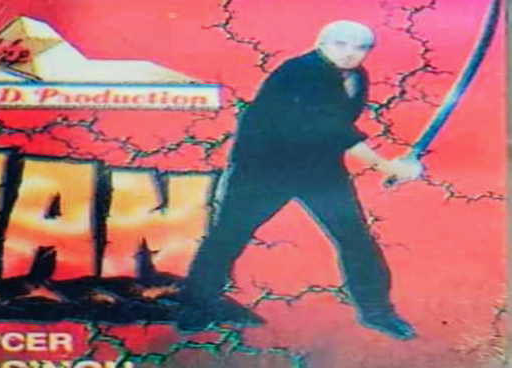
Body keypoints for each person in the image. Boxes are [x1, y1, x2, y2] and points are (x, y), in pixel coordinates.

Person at [176, 21, 422, 339]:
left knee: (356, 239)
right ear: (321, 43)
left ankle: (378, 312)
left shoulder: (356, 77)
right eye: (341, 44)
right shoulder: (300, 72)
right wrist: (384, 165)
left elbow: (334, 127)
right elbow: (332, 126)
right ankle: (197, 306)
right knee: (228, 236)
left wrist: (390, 166)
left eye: (360, 47)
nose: (350, 53)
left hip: (319, 170)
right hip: (263, 170)